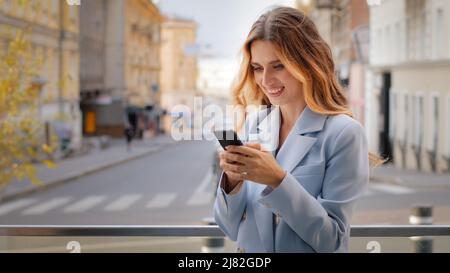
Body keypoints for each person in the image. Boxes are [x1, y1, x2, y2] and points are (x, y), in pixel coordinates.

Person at [214, 6, 382, 253]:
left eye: (278, 65)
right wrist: (233, 181)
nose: (266, 80)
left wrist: (277, 180)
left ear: (307, 62)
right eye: (258, 68)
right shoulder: (255, 124)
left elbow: (332, 240)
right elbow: (229, 228)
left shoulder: (344, 133)